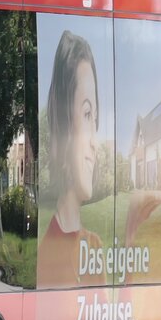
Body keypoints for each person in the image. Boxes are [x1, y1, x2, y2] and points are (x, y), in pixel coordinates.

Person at [37, 30, 104, 287]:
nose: (94, 142)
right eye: (86, 115)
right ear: (63, 126)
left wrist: (131, 231)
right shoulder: (45, 258)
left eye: (94, 120)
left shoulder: (94, 246)